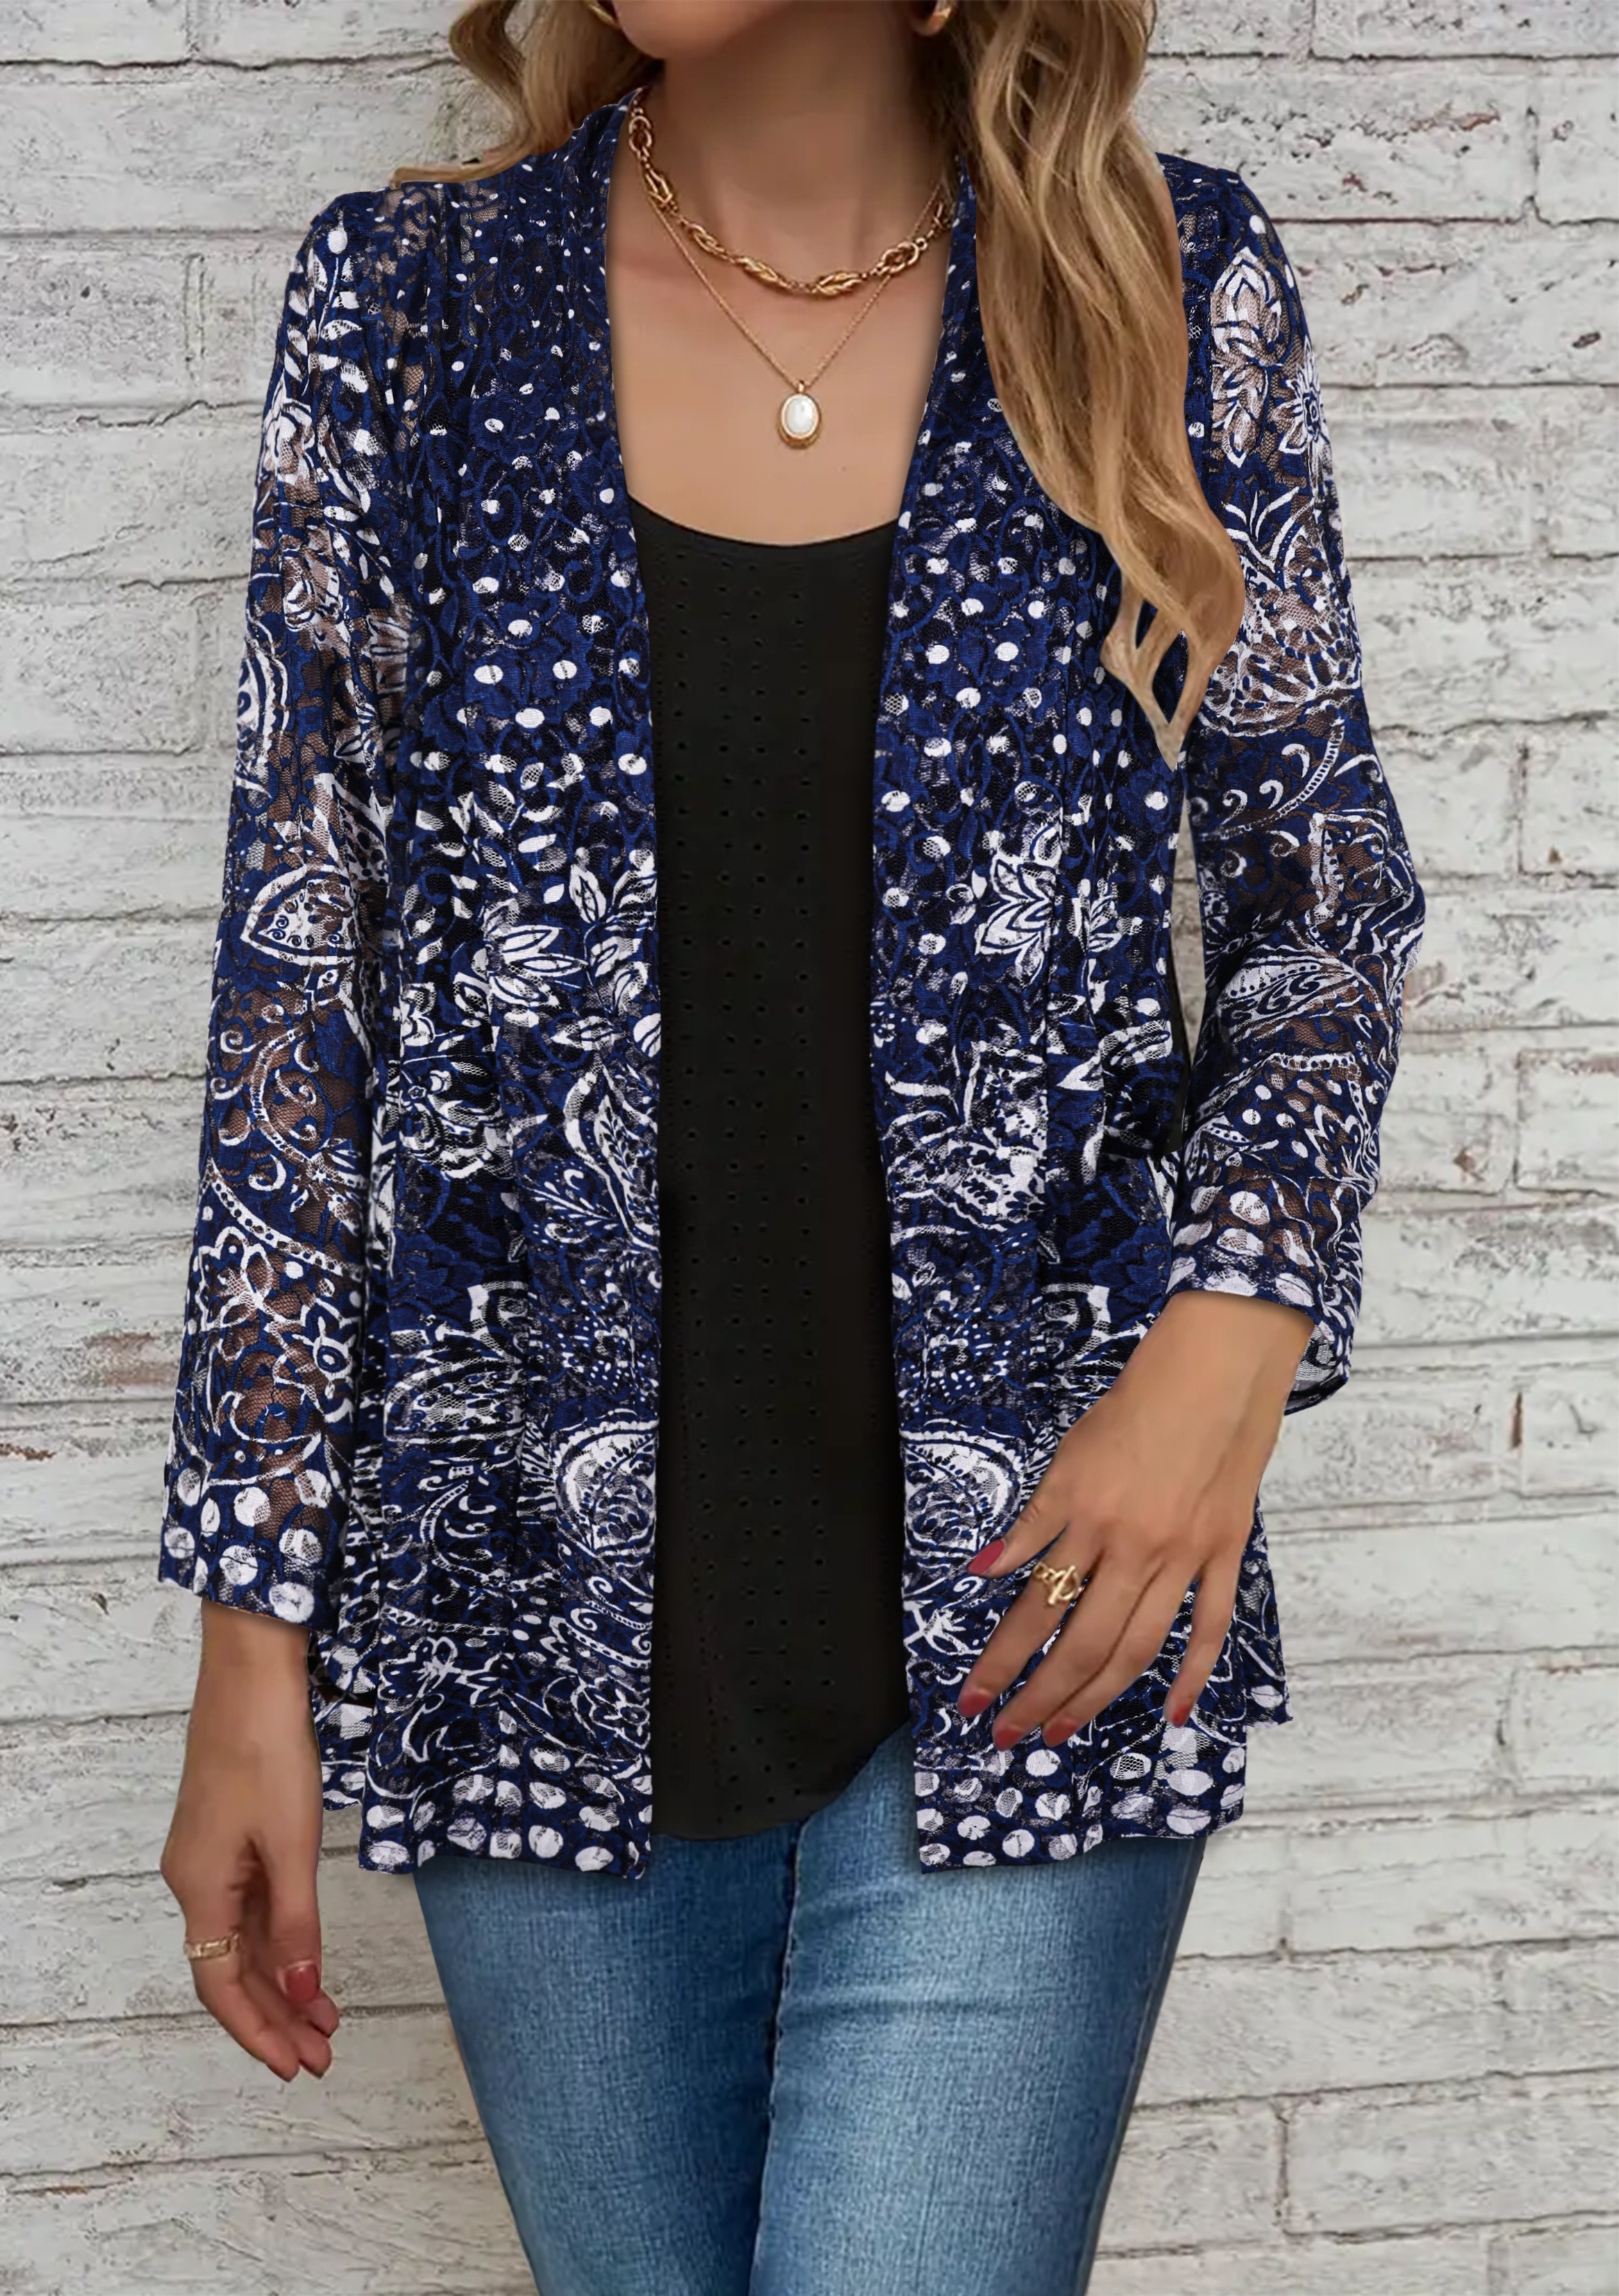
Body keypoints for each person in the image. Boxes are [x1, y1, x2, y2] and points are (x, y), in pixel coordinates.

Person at [156, 3, 1427, 2291]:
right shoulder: (409, 312)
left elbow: (1320, 900)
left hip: (1038, 1607)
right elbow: (298, 992)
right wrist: (255, 1631)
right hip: (528, 1622)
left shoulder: (1161, 287)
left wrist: (1226, 1349)